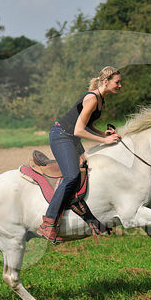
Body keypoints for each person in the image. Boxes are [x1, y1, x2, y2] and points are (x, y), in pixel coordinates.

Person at [37, 66, 122, 241]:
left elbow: (87, 124)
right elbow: (78, 130)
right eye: (117, 82)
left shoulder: (100, 99)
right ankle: (49, 223)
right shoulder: (92, 98)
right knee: (72, 176)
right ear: (106, 81)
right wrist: (104, 141)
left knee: (88, 170)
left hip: (71, 138)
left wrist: (102, 134)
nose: (120, 86)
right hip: (62, 136)